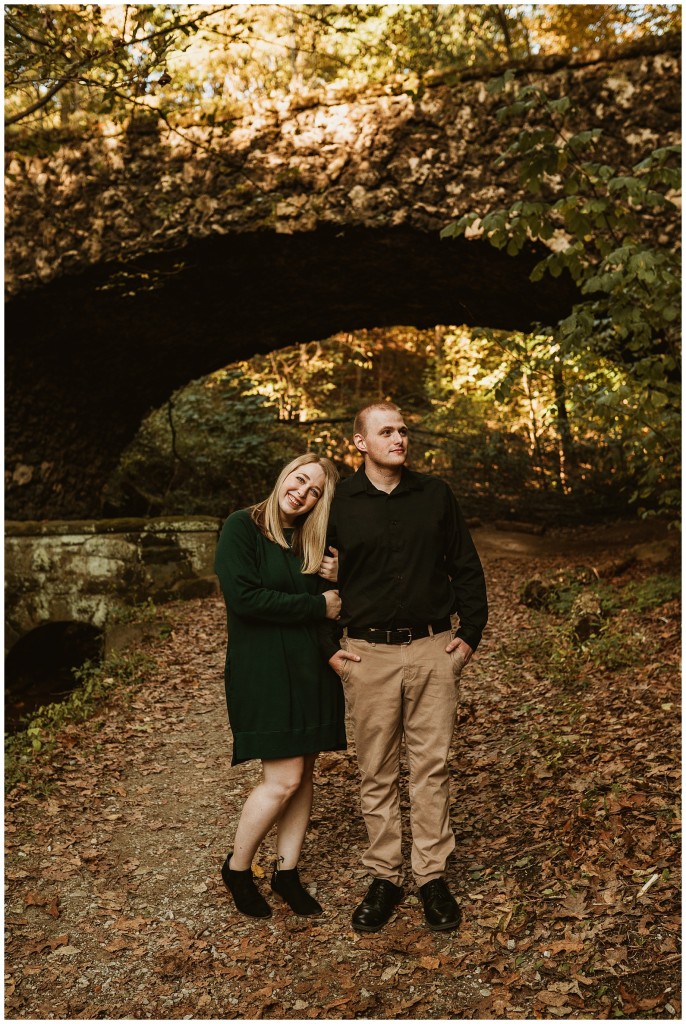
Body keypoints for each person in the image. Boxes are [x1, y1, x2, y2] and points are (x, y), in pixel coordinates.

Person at [321, 402, 488, 933]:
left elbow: (466, 566)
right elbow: (314, 580)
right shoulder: (336, 501)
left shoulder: (434, 494)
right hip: (366, 655)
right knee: (377, 770)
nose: (399, 439)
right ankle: (385, 876)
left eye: (403, 431)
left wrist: (469, 637)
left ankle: (432, 876)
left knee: (431, 767)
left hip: (432, 649)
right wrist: (329, 647)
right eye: (386, 432)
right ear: (359, 443)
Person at [214, 453, 345, 920]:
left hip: (311, 668)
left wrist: (339, 578)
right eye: (300, 480)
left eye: (315, 493)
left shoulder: (310, 540)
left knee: (303, 775)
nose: (303, 493)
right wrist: (316, 607)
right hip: (264, 671)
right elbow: (245, 599)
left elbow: (335, 603)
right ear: (285, 474)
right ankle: (237, 867)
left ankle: (286, 872)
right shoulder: (241, 527)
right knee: (283, 778)